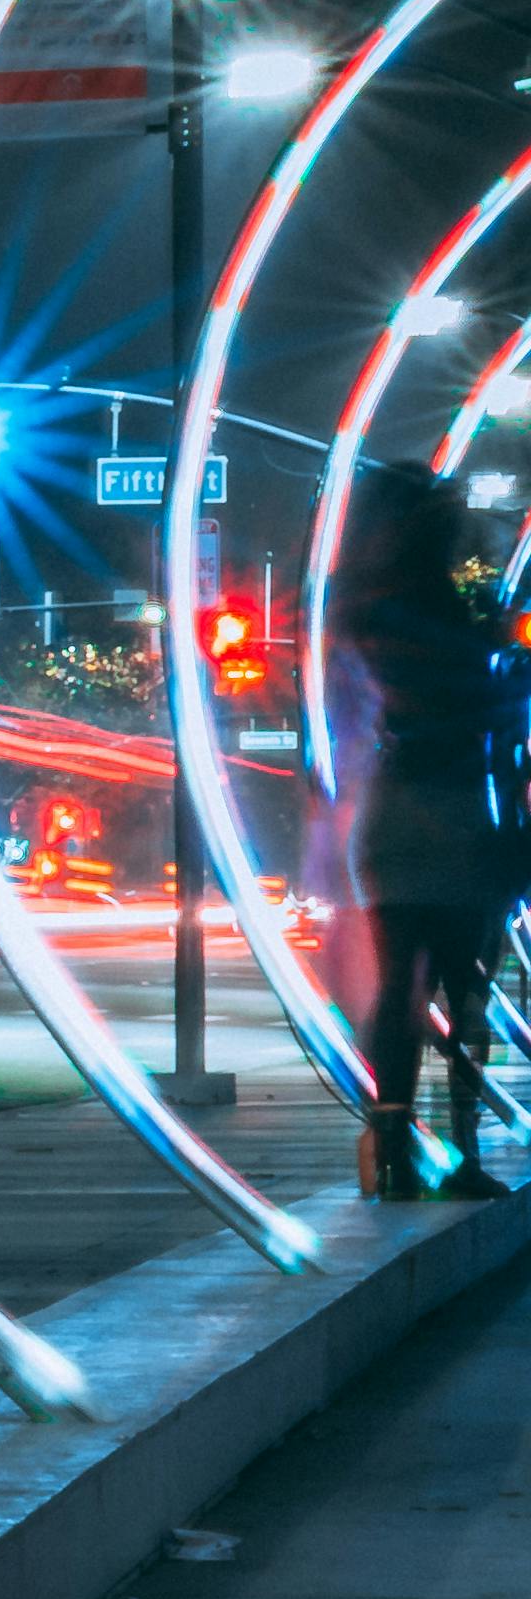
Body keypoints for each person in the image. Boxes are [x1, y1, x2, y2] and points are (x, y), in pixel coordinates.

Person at [315, 460, 513, 1198]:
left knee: (404, 981)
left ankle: (395, 1145)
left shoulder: (364, 605)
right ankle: (460, 1147)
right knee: (466, 985)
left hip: (394, 812)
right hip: (455, 810)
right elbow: (469, 707)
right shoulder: (438, 611)